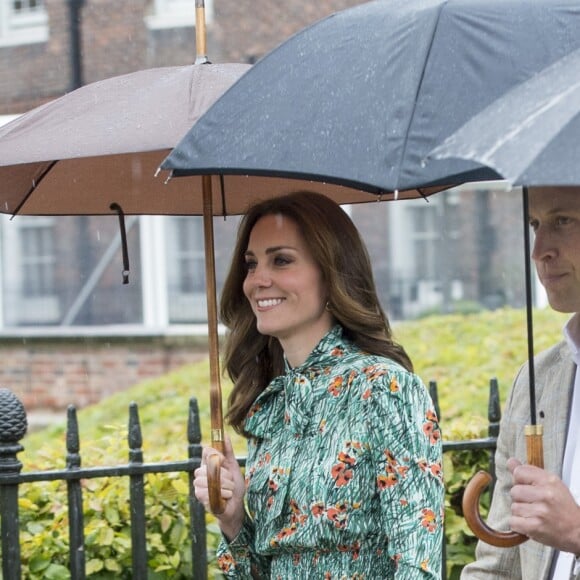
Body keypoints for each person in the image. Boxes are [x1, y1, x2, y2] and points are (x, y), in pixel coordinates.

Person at [193, 191, 444, 579]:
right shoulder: (272, 406)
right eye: (251, 264)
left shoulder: (384, 389)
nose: (258, 280)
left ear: (331, 273)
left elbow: (418, 562)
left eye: (281, 260)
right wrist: (233, 517)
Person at [461, 186, 580, 580]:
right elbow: (499, 565)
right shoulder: (537, 379)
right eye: (535, 225)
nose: (539, 250)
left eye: (563, 221)